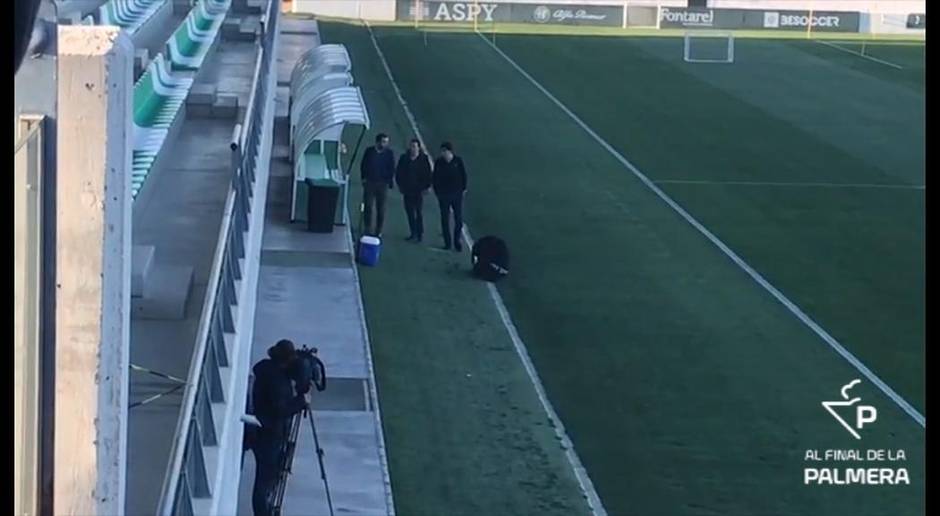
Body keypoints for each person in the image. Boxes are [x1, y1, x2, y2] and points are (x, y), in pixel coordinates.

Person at [249, 340, 309, 516]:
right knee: (264, 482)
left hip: (265, 432)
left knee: (267, 477)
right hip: (269, 435)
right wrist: (301, 401)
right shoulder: (277, 381)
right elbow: (279, 410)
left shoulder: (267, 370)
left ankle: (266, 510)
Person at [432, 142, 468, 252]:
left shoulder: (457, 161)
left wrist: (464, 189)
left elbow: (463, 175)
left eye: (444, 151)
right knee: (445, 219)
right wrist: (437, 192)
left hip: (456, 194)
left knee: (458, 219)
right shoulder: (439, 162)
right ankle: (447, 243)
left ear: (449, 151)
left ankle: (457, 241)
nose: (442, 153)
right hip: (444, 195)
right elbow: (435, 177)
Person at [395, 138, 433, 242]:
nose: (413, 149)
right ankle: (413, 233)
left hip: (418, 190)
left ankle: (419, 233)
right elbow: (398, 172)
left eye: (415, 147)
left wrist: (427, 186)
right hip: (407, 190)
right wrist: (400, 185)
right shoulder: (404, 158)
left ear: (418, 148)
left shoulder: (423, 159)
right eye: (411, 146)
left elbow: (428, 173)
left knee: (418, 212)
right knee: (410, 212)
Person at [359, 133, 396, 237]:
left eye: (387, 142)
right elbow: (363, 164)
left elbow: (392, 167)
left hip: (382, 184)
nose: (385, 144)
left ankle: (378, 229)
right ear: (378, 142)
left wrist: (388, 180)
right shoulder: (369, 151)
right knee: (368, 206)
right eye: (384, 142)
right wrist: (363, 178)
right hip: (370, 183)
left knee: (381, 208)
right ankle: (367, 228)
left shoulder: (389, 153)